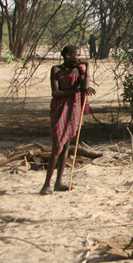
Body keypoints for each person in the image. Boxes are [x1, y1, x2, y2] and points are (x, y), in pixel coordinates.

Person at [41, 45, 95, 194]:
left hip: (74, 108)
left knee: (66, 147)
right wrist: (77, 90)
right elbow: (56, 93)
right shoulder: (56, 70)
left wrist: (87, 68)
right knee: (57, 146)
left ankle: (58, 183)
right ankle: (46, 184)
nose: (78, 57)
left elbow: (85, 86)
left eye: (79, 55)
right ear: (67, 56)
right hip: (60, 109)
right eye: (76, 55)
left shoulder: (78, 70)